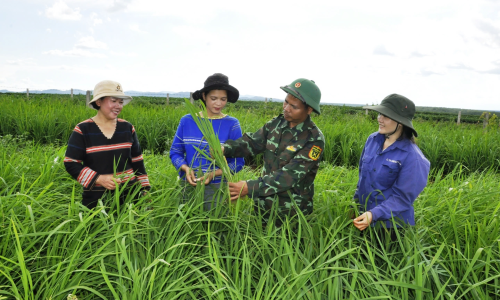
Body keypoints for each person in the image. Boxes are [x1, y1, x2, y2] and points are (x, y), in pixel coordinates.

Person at [222, 78, 324, 224]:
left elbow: (289, 175)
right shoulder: (275, 124)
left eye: (293, 106)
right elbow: (252, 142)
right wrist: (226, 149)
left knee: (287, 246)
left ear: (309, 110)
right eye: (286, 102)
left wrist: (249, 187)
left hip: (291, 212)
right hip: (263, 205)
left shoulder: (313, 139)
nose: (286, 108)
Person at [353, 94, 430, 240]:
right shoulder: (373, 140)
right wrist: (355, 204)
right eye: (380, 114)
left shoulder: (414, 158)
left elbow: (403, 198)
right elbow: (362, 177)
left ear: (400, 123)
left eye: (386, 116)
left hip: (391, 227)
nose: (379, 119)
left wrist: (374, 214)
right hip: (364, 217)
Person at [64, 80, 150, 209]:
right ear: (99, 102)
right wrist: (99, 179)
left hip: (130, 198)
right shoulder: (83, 129)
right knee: (98, 229)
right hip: (96, 200)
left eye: (121, 102)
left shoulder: (127, 128)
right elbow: (71, 163)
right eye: (114, 101)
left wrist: (145, 189)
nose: (118, 106)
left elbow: (137, 161)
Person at [169, 73, 245, 210]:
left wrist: (212, 174)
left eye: (223, 99)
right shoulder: (187, 121)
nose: (219, 103)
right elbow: (175, 152)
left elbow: (238, 162)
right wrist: (186, 169)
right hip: (188, 184)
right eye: (213, 98)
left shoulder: (232, 124)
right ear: (204, 97)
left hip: (218, 188)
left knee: (214, 227)